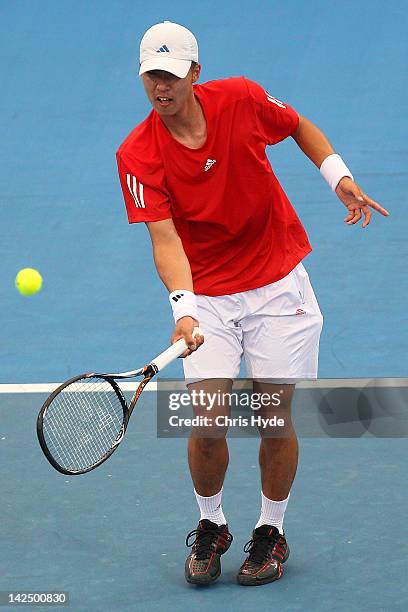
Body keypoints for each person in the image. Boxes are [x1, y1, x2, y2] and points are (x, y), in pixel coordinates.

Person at [116, 21, 389, 587]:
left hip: (277, 285)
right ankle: (211, 525)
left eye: (170, 75)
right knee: (209, 421)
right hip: (208, 297)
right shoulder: (138, 154)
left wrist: (338, 176)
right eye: (151, 77)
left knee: (273, 416)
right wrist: (183, 309)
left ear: (195, 73)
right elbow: (164, 240)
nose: (160, 88)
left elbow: (296, 125)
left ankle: (270, 530)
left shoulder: (240, 97)